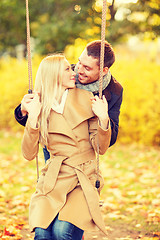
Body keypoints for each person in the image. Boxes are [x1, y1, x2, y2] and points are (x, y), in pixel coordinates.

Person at [21, 54, 111, 240]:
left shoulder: (88, 98)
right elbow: (28, 154)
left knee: (62, 233)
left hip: (82, 178)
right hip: (53, 178)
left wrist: (103, 119)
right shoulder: (40, 105)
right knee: (42, 233)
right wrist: (32, 118)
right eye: (67, 69)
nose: (74, 72)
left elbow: (100, 148)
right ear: (54, 75)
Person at [15, 40, 123, 161]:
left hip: (83, 150)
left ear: (103, 71)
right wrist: (23, 111)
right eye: (79, 62)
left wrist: (103, 117)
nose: (78, 70)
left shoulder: (114, 91)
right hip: (55, 146)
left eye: (87, 68)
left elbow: (109, 139)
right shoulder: (68, 74)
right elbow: (41, 106)